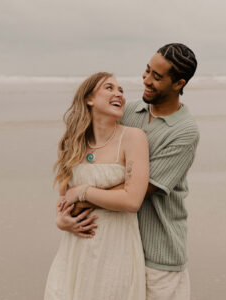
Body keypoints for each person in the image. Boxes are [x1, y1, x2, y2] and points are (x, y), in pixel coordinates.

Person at [58, 43, 200, 300]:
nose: (146, 80)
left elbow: (141, 189)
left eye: (157, 77)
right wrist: (62, 218)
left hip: (159, 253)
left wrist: (80, 200)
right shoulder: (128, 113)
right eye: (146, 71)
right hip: (117, 248)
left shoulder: (184, 132)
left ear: (178, 84)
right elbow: (95, 156)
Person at [44, 72, 149, 299]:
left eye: (121, 90)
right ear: (89, 98)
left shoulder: (133, 138)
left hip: (116, 249)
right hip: (74, 249)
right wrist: (61, 221)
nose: (119, 94)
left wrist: (83, 191)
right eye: (109, 88)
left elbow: (132, 201)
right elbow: (64, 201)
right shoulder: (71, 144)